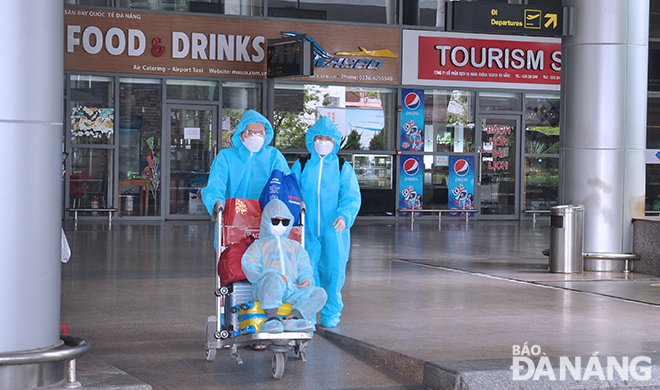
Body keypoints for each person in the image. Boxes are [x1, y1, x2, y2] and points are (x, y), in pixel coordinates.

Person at [290, 116, 361, 328]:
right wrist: (297, 205)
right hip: (307, 229)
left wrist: (345, 216)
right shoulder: (301, 165)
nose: (323, 142)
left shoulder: (342, 167)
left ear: (335, 141)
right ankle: (307, 314)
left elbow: (351, 197)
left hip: (334, 231)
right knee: (306, 273)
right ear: (311, 140)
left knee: (334, 274)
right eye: (319, 137)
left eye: (327, 138)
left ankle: (331, 314)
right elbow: (291, 192)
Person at [242, 199, 327, 333]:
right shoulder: (258, 246)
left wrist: (305, 279)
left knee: (320, 293)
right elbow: (249, 266)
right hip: (267, 289)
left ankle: (293, 318)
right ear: (266, 221)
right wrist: (274, 275)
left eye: (285, 222)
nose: (280, 225)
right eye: (275, 221)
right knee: (272, 278)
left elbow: (304, 267)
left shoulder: (294, 246)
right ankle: (272, 319)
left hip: (291, 289)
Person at [201, 109, 290, 222]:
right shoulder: (226, 157)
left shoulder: (274, 156)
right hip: (232, 218)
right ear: (241, 134)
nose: (255, 136)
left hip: (266, 220)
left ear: (266, 135)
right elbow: (216, 185)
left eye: (260, 133)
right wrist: (216, 203)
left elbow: (285, 185)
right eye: (250, 132)